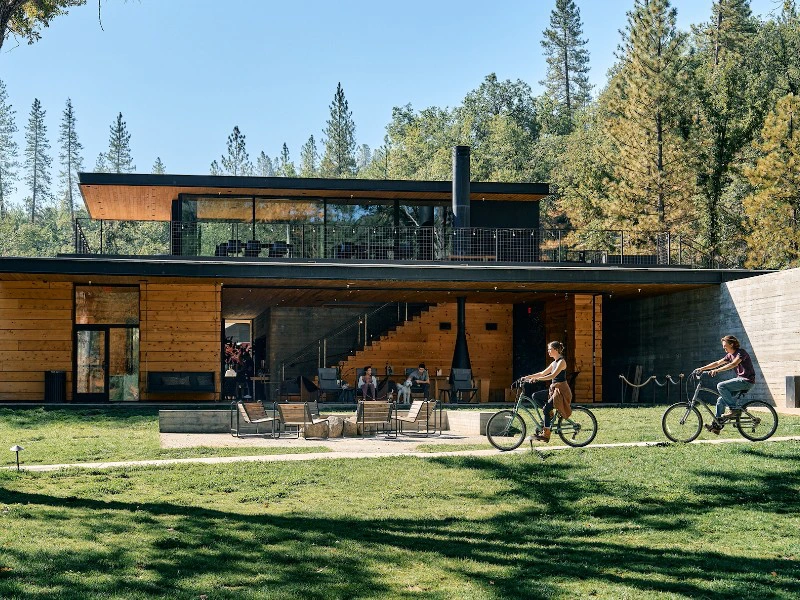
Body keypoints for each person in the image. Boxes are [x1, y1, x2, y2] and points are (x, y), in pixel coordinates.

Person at [694, 335, 756, 435]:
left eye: (725, 345)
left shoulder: (741, 353)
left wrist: (717, 371)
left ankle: (734, 410)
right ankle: (717, 426)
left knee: (721, 385)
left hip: (746, 381)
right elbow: (717, 363)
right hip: (740, 381)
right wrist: (702, 369)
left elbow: (733, 364)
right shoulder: (729, 355)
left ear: (731, 344)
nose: (724, 348)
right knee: (720, 401)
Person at [521, 341, 572, 443]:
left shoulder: (562, 362)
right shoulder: (554, 363)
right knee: (535, 396)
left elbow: (552, 376)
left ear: (556, 350)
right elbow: (542, 373)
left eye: (550, 349)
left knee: (546, 409)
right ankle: (550, 413)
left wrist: (538, 379)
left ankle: (546, 434)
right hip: (554, 389)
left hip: (561, 391)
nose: (548, 351)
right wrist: (528, 377)